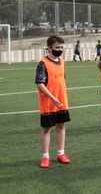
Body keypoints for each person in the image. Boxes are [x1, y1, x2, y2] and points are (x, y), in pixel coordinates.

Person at [35, 35, 71, 168]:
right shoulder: (43, 63)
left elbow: (62, 81)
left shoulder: (62, 62)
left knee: (61, 126)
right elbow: (40, 83)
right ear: (49, 48)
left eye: (61, 47)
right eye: (57, 47)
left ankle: (61, 153)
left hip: (62, 102)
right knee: (46, 129)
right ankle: (45, 156)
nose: (59, 50)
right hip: (49, 103)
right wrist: (52, 97)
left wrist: (60, 97)